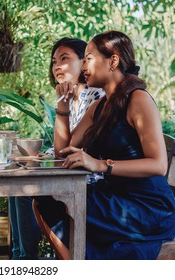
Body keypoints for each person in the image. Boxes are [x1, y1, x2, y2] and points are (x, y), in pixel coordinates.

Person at [35, 30, 175, 259]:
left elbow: (159, 165)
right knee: (47, 197)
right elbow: (62, 152)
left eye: (88, 58)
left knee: (62, 201)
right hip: (114, 197)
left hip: (146, 207)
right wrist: (63, 106)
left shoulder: (138, 99)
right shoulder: (99, 107)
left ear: (113, 60)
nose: (83, 67)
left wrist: (101, 165)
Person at [9, 37, 104, 260]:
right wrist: (45, 155)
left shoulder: (96, 96)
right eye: (54, 61)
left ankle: (25, 261)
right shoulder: (71, 98)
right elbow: (62, 146)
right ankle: (17, 256)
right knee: (16, 185)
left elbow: (71, 148)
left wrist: (53, 154)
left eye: (64, 58)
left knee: (24, 190)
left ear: (84, 62)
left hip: (90, 179)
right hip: (72, 172)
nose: (57, 66)